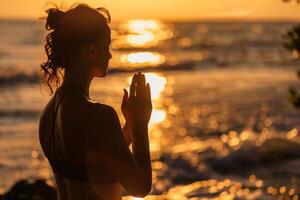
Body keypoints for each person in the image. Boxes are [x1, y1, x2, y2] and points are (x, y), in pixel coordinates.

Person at [38, 4, 152, 200]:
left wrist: (129, 126)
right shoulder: (100, 116)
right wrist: (140, 125)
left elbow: (98, 155)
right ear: (90, 51)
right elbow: (141, 187)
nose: (109, 55)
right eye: (106, 45)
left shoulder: (49, 112)